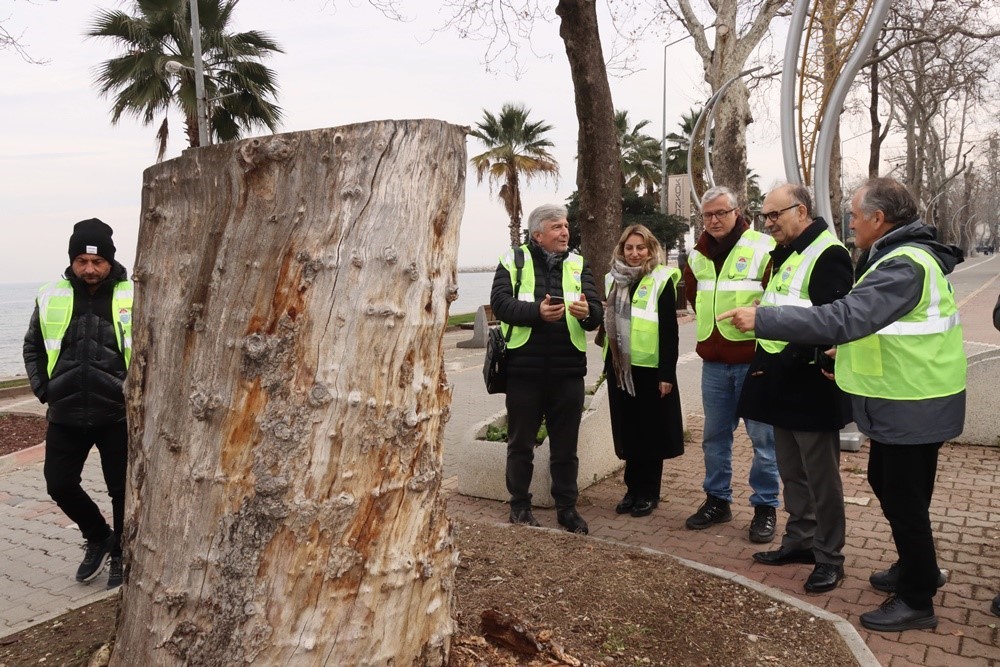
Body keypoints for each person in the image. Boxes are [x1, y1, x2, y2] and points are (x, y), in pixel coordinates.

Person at [719, 176, 966, 632]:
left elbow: (848, 315)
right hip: (904, 398)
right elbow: (877, 325)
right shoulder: (892, 256)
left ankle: (917, 598)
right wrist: (841, 351)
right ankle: (917, 570)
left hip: (916, 400)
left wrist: (766, 319)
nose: (848, 222)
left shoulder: (904, 263)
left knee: (905, 500)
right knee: (892, 488)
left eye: (854, 215)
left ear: (878, 218)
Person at [737, 184, 854, 594]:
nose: (768, 223)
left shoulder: (828, 253)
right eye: (765, 216)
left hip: (811, 386)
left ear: (801, 211)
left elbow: (833, 322)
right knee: (792, 472)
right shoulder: (788, 252)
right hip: (781, 381)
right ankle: (800, 541)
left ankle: (829, 558)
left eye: (774, 215)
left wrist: (814, 359)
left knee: (821, 478)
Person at [23, 218, 132, 590]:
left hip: (118, 413)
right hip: (66, 412)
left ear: (110, 261)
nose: (89, 269)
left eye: (96, 262)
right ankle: (99, 535)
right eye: (81, 261)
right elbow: (33, 346)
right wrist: (43, 389)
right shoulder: (52, 293)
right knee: (59, 483)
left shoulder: (133, 294)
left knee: (122, 490)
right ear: (72, 260)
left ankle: (122, 553)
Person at [490, 204, 603, 534]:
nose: (565, 232)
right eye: (557, 227)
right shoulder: (513, 260)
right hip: (524, 371)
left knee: (566, 447)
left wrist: (586, 312)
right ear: (538, 234)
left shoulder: (579, 263)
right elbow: (500, 305)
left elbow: (596, 313)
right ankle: (520, 507)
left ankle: (567, 509)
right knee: (520, 444)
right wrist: (536, 312)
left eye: (566, 225)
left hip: (568, 372)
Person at [682, 185, 780, 543]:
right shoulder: (697, 255)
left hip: (754, 361)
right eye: (708, 215)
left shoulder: (763, 247)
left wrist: (758, 315)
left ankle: (765, 506)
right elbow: (692, 295)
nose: (714, 220)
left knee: (763, 440)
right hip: (714, 363)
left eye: (721, 212)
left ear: (737, 212)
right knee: (714, 437)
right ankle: (717, 500)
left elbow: (778, 296)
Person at [603, 225, 684, 518]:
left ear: (650, 250)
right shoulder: (613, 280)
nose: (635, 253)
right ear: (622, 249)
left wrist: (667, 374)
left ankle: (649, 492)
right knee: (629, 431)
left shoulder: (662, 279)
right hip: (621, 369)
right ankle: (631, 489)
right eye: (629, 248)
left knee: (651, 433)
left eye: (640, 248)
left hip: (650, 370)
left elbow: (669, 332)